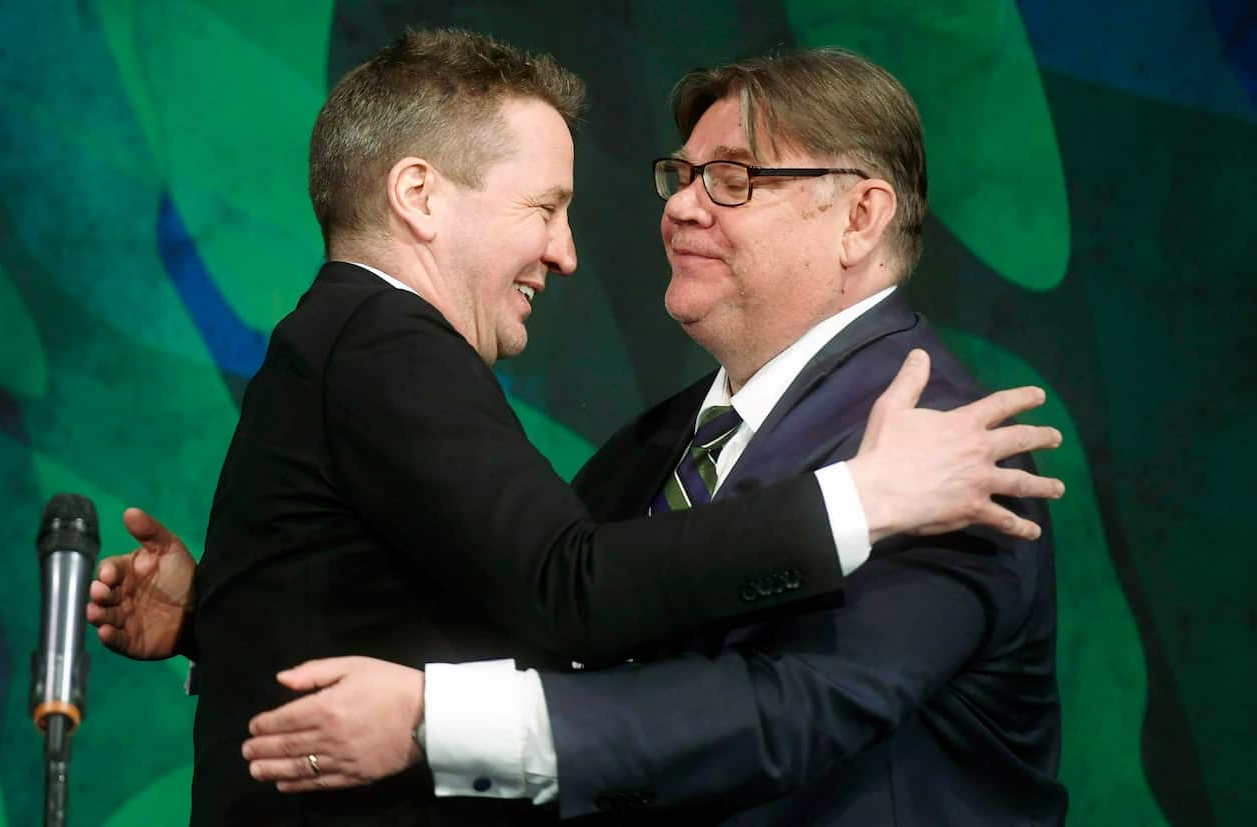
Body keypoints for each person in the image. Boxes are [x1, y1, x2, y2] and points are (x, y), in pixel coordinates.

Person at [88, 32, 1064, 826]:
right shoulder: (662, 444)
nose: (678, 206)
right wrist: (226, 615)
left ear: (858, 216)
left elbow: (791, 711)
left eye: (730, 177)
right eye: (677, 175)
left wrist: (434, 720)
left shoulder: (941, 451)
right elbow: (541, 599)